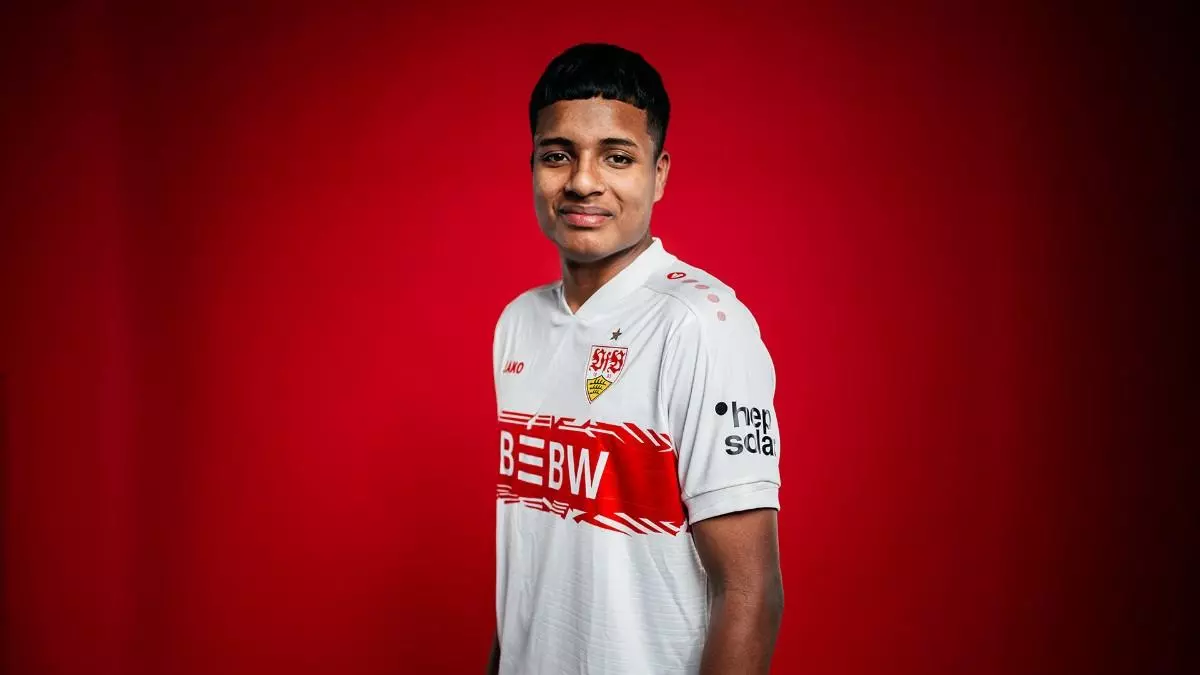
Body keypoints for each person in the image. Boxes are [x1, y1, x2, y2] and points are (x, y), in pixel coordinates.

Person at [489, 43, 783, 675]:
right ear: (534, 165)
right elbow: (530, 560)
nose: (582, 181)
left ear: (659, 173)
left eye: (617, 157)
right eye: (557, 155)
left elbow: (750, 593)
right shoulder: (518, 323)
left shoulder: (701, 325)